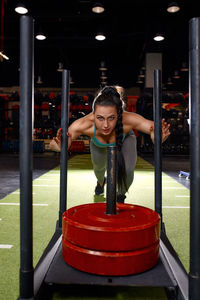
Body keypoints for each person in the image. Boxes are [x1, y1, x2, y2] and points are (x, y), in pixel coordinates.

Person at [50, 85, 170, 203]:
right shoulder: (84, 124)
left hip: (125, 139)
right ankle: (101, 183)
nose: (106, 125)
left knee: (128, 169)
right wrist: (58, 147)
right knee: (99, 169)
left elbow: (152, 128)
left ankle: (121, 195)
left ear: (118, 114)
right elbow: (58, 143)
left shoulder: (128, 119)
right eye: (100, 118)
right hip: (99, 145)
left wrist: (157, 137)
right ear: (93, 114)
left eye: (111, 118)